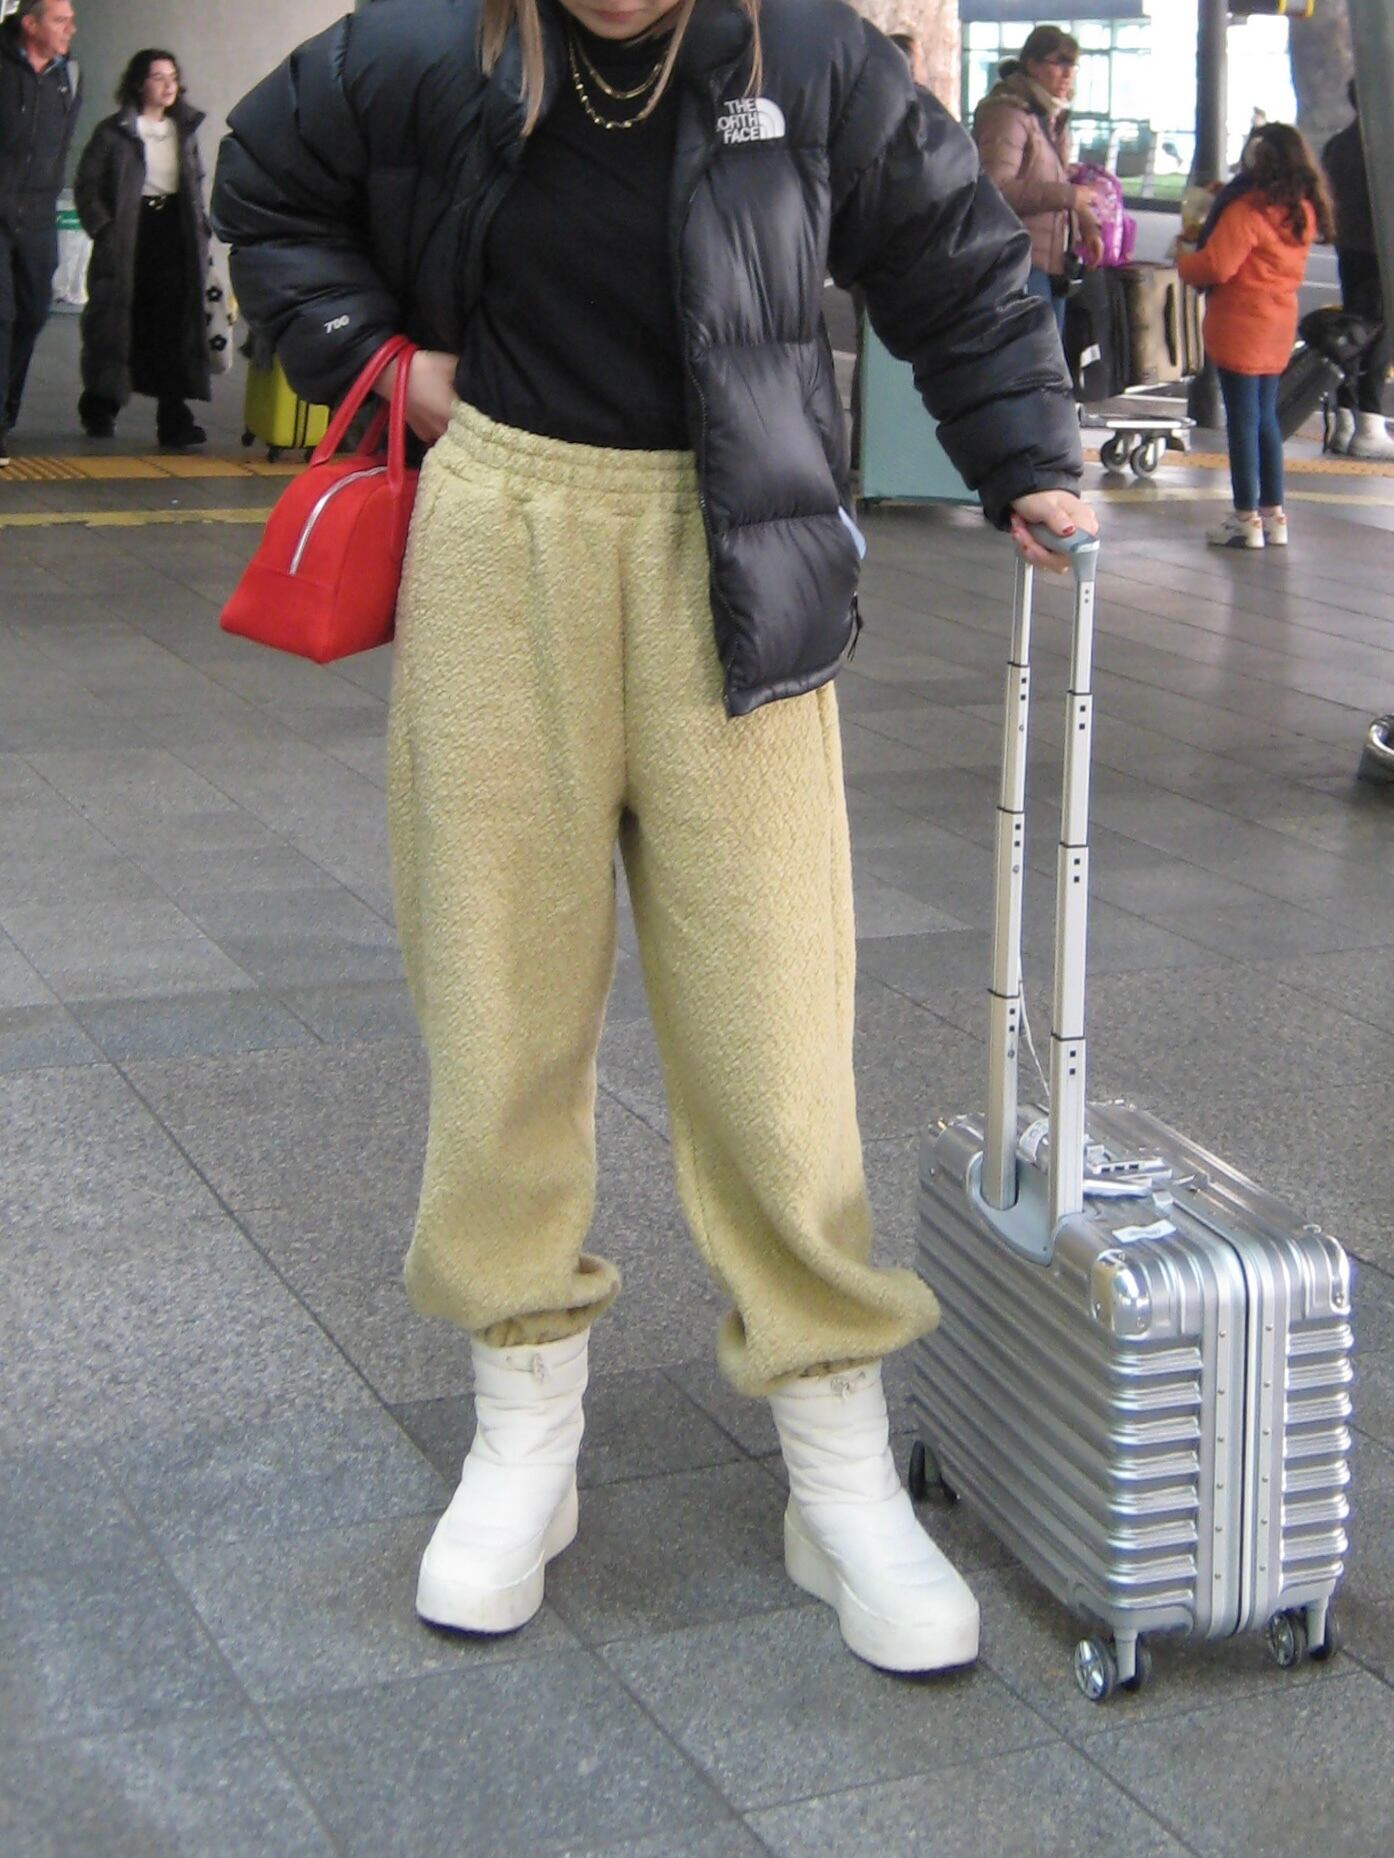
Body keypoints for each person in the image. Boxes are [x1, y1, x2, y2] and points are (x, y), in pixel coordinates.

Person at [213, 0, 1096, 1675]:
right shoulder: (430, 44)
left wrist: (1025, 453)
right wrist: (382, 366)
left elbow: (952, 255)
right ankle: (521, 1424)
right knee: (495, 999)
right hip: (500, 532)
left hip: (736, 543)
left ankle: (834, 1459)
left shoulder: (803, 56)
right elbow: (261, 179)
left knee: (774, 1024)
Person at [1177, 123, 1333, 550]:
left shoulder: (1247, 211)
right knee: (1265, 419)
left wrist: (1183, 260)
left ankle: (1245, 517)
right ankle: (1273, 515)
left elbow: (1217, 265)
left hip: (1240, 325)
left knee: (1242, 422)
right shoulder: (1302, 210)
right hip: (1277, 324)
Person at [73, 50, 211, 448]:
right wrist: (104, 229)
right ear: (138, 84)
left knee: (173, 322)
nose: (169, 86)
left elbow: (196, 183)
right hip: (130, 234)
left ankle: (173, 416)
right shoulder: (114, 132)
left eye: (173, 77)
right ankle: (101, 400)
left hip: (174, 235)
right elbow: (87, 186)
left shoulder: (184, 130)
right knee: (118, 319)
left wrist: (202, 229)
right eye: (158, 77)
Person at [971, 24, 1102, 335]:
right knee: (1032, 356)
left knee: (1049, 356)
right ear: (1032, 65)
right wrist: (1070, 196)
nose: (1068, 74)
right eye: (1060, 63)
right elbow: (996, 189)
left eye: (1073, 66)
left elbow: (1055, 178)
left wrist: (1087, 224)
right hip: (1018, 262)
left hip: (1052, 263)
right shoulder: (1007, 113)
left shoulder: (1048, 116)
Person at [0, 0, 81, 467]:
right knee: (2, 316)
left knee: (32, 313)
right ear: (30, 25)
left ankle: (7, 410)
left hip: (36, 217)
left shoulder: (69, 76)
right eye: (60, 19)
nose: (71, 28)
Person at [1323, 82, 1394, 461]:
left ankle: (1346, 419)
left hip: (1349, 247)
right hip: (1381, 251)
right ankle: (1370, 422)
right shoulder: (1383, 146)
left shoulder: (1338, 145)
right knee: (1380, 332)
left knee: (1353, 329)